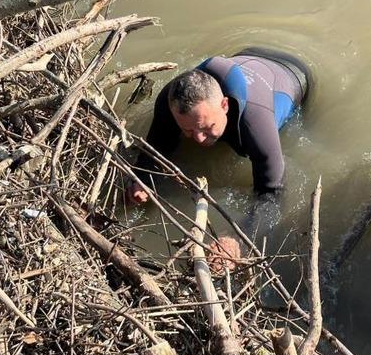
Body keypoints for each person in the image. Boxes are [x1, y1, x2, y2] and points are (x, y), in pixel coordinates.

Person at [128, 46, 312, 235]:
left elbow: (272, 195)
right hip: (247, 53)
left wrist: (238, 238)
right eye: (187, 130)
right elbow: (156, 147)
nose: (199, 139)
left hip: (293, 73)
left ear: (224, 105)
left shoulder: (254, 122)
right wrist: (142, 180)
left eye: (207, 127)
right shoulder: (170, 100)